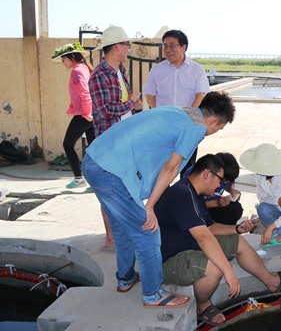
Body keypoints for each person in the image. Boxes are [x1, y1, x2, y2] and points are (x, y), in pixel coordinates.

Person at [81, 91, 236, 309]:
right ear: (213, 121)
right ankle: (153, 294)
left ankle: (126, 278)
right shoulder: (197, 127)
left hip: (94, 161)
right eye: (217, 129)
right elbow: (170, 168)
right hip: (111, 172)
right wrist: (150, 207)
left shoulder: (182, 112)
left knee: (123, 229)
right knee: (148, 233)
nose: (211, 133)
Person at [155, 154, 281, 327]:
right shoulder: (182, 195)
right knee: (215, 268)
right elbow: (203, 238)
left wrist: (237, 229)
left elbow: (210, 228)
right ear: (207, 174)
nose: (220, 185)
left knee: (237, 241)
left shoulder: (193, 192)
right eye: (220, 180)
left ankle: (271, 282)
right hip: (169, 261)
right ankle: (202, 305)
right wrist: (228, 271)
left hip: (188, 246)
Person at [89, 26, 143, 248]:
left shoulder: (121, 71)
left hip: (126, 139)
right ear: (117, 47)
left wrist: (135, 105)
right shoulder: (98, 75)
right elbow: (104, 111)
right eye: (127, 45)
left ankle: (122, 234)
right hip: (110, 143)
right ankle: (111, 237)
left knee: (126, 188)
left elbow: (124, 104)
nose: (129, 49)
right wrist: (131, 103)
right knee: (109, 190)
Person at [144, 29, 211, 176]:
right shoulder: (157, 70)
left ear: (183, 47)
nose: (168, 49)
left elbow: (200, 95)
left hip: (188, 124)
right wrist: (161, 114)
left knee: (187, 167)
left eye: (172, 45)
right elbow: (149, 96)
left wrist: (188, 116)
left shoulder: (196, 69)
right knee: (160, 165)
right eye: (165, 46)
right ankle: (161, 191)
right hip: (163, 125)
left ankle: (185, 190)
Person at [51, 42, 95, 189]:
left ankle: (78, 178)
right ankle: (95, 182)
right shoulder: (85, 68)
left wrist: (87, 113)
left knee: (68, 145)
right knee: (93, 149)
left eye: (64, 59)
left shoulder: (77, 71)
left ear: (72, 57)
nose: (63, 62)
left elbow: (85, 94)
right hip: (90, 114)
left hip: (84, 115)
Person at [182, 152, 244, 225]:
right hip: (196, 210)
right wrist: (216, 203)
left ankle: (221, 230)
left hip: (214, 206)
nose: (219, 185)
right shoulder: (195, 173)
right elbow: (190, 205)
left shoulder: (225, 175)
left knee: (235, 208)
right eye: (221, 181)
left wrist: (231, 190)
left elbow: (230, 183)